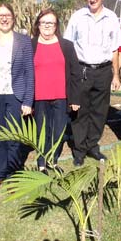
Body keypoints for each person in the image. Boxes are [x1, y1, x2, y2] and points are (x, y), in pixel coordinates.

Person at [64, 0, 121, 166]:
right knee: (80, 112)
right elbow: (68, 45)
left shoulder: (112, 17)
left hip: (104, 71)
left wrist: (116, 75)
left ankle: (92, 146)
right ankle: (79, 150)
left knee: (99, 112)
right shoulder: (77, 17)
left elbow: (115, 49)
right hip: (82, 70)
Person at [0, 3, 34, 191]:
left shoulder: (23, 40)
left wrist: (28, 100)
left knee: (13, 136)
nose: (4, 19)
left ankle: (13, 174)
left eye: (7, 15)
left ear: (13, 18)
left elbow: (30, 71)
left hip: (15, 94)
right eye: (0, 15)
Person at [31, 9, 82, 172]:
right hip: (39, 98)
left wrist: (75, 99)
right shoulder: (30, 44)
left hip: (61, 97)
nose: (47, 26)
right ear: (38, 25)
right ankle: (41, 163)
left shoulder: (66, 45)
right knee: (41, 131)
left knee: (58, 130)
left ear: (56, 26)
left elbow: (76, 73)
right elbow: (25, 72)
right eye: (44, 22)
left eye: (51, 23)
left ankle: (53, 160)